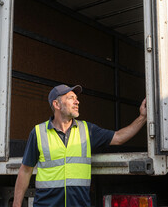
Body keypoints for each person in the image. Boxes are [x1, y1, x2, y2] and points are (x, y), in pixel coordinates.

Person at [13, 84, 147, 207]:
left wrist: (142, 117)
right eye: (71, 98)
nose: (77, 102)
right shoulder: (38, 132)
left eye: (76, 98)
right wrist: (17, 204)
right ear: (57, 104)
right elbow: (25, 170)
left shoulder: (87, 130)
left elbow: (118, 137)